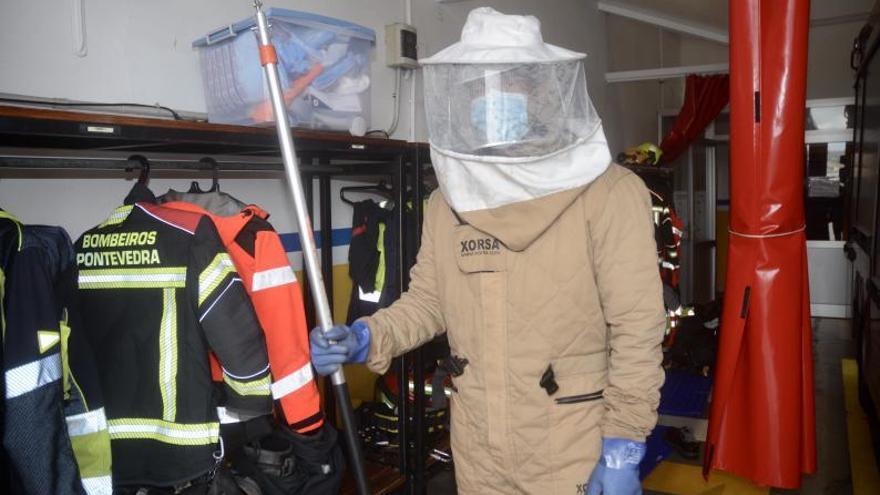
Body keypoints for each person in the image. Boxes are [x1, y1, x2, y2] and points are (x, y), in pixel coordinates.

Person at [310, 7, 665, 495]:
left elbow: (637, 325)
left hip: (573, 446)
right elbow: (429, 301)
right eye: (477, 86)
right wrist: (369, 336)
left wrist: (624, 440)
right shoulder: (448, 201)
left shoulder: (608, 193)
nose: (490, 97)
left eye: (508, 83)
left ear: (541, 91)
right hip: (477, 445)